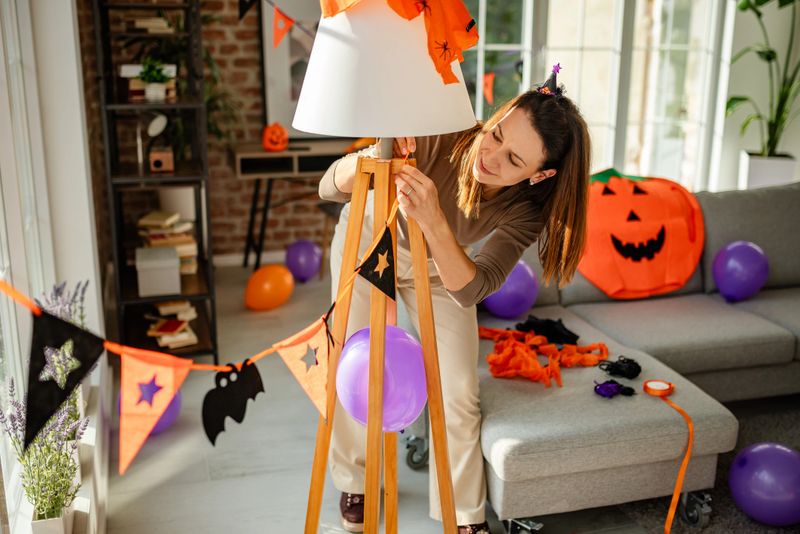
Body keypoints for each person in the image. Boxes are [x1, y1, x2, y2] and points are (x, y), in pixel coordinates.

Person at [318, 65, 591, 534]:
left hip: (443, 266)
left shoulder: (527, 209)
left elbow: (472, 287)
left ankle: (464, 513)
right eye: (498, 133)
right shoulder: (441, 129)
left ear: (538, 174)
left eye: (513, 160)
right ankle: (356, 479)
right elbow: (327, 187)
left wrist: (434, 222)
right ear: (498, 114)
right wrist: (370, 160)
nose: (491, 156)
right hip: (369, 244)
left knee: (460, 390)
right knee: (353, 365)